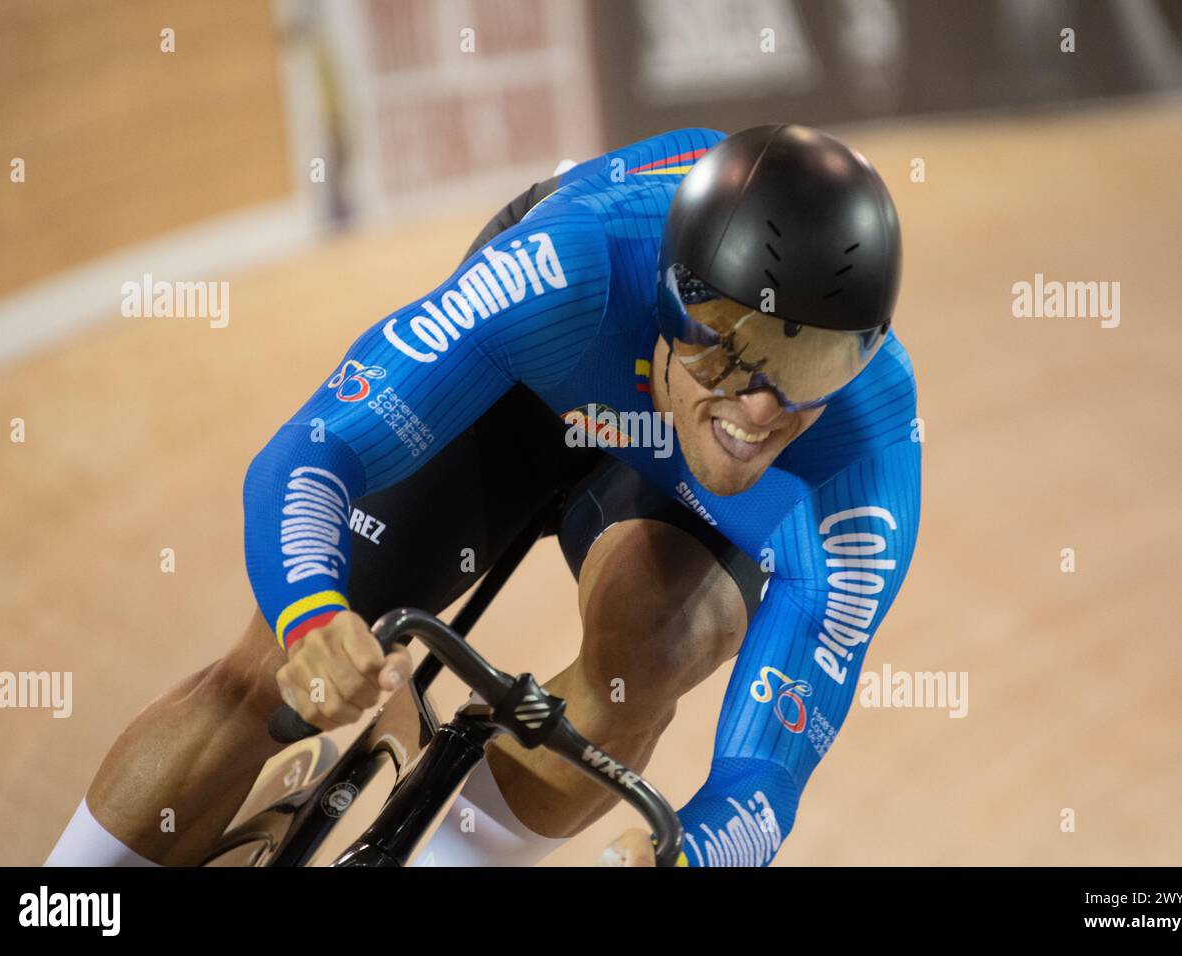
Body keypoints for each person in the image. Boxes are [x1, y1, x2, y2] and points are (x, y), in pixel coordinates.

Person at [46, 124, 920, 868]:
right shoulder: (565, 271)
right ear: (669, 294)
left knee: (656, 642)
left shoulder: (863, 446)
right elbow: (314, 449)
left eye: (809, 366)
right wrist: (309, 618)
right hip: (545, 371)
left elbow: (764, 781)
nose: (759, 409)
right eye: (729, 347)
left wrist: (689, 852)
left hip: (661, 448)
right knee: (268, 680)